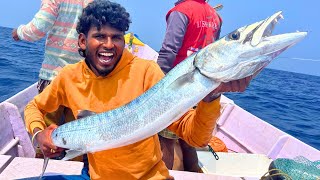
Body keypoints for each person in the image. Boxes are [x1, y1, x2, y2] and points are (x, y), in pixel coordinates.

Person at [24, 0, 251, 179]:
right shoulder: (69, 76)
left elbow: (197, 137)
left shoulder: (146, 71)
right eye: (100, 36)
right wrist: (37, 133)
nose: (109, 45)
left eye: (117, 37)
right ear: (82, 41)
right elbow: (34, 107)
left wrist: (212, 97)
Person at [12, 0, 93, 159]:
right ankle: (74, 169)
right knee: (76, 142)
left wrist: (19, 32)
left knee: (46, 140)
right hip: (82, 79)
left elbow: (40, 26)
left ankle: (43, 170)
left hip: (53, 77)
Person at [157, 0, 223, 172]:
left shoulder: (181, 11)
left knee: (166, 140)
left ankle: (166, 175)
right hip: (201, 88)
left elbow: (169, 50)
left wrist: (155, 82)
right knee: (189, 141)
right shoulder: (215, 16)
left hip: (178, 87)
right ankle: (194, 173)